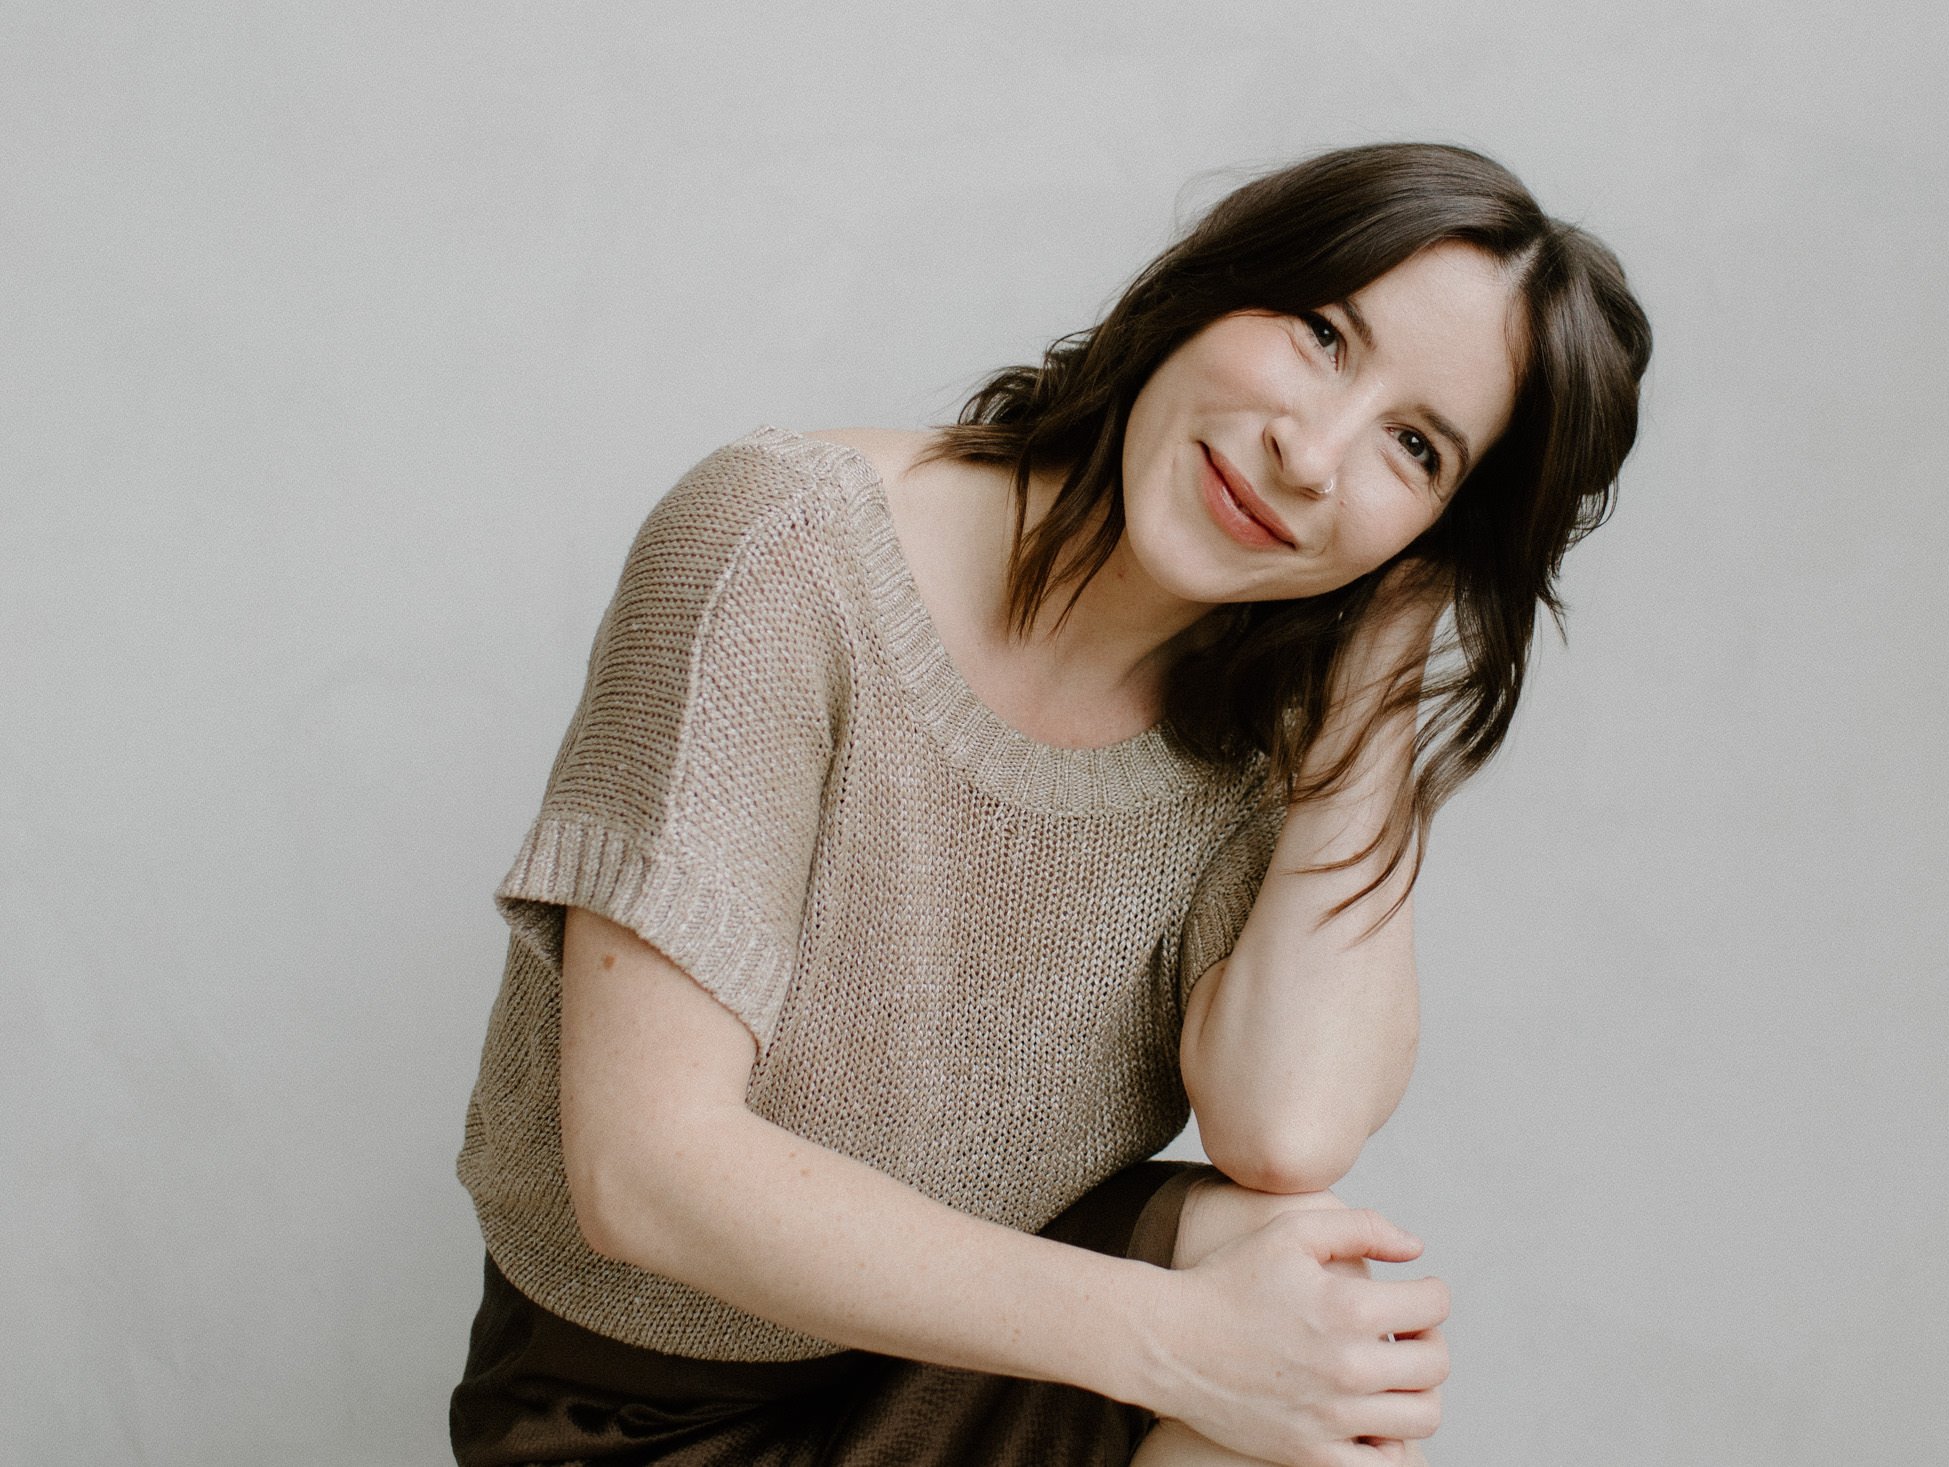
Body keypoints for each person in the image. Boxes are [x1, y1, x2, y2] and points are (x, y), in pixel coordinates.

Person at [449, 141, 1651, 1466]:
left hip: (974, 1353)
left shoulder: (1266, 744)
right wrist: (1176, 1339)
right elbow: (644, 1175)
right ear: (1214, 285)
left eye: (1416, 449)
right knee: (1254, 1333)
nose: (1310, 455)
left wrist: (1378, 682)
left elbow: (1286, 1130)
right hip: (627, 1409)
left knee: (1306, 1298)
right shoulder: (783, 548)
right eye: (1320, 333)